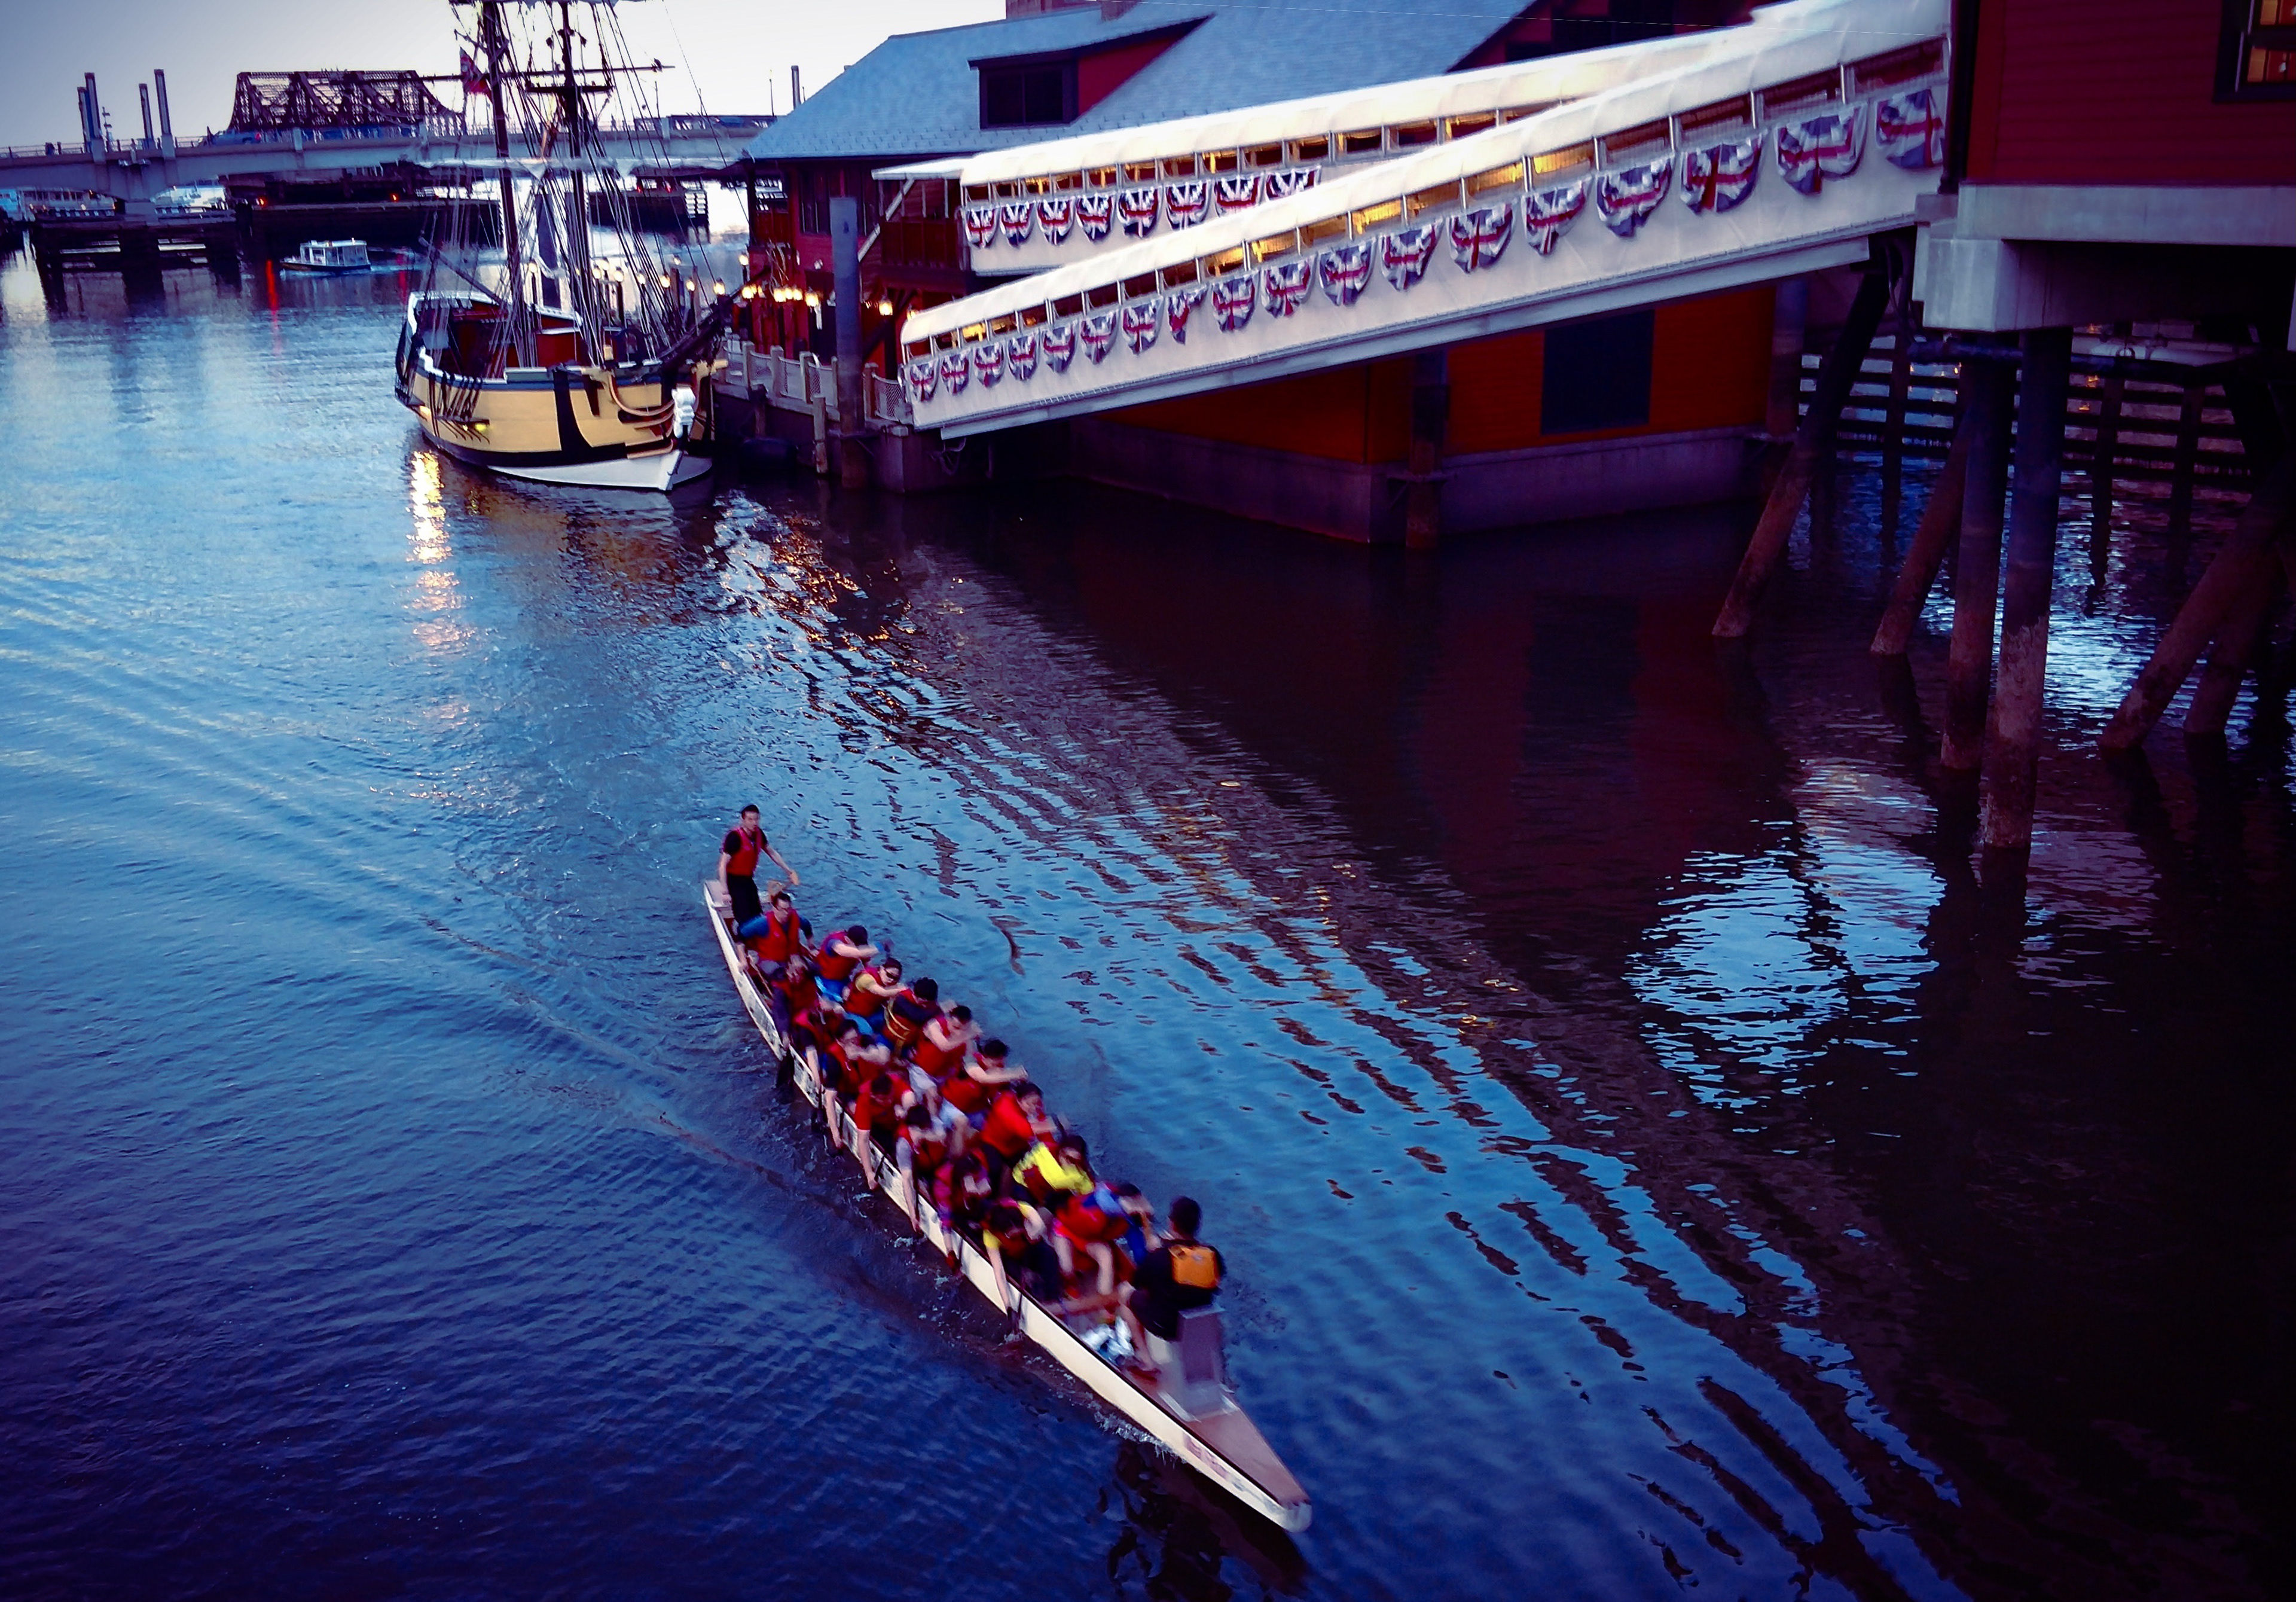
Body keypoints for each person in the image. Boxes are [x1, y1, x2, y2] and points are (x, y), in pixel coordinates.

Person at [1120, 1197, 1224, 1353]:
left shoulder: (1161, 1256)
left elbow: (1136, 1282)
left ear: (1172, 1224)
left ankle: (1146, 1359)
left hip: (1167, 1327)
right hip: (1198, 1326)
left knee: (1125, 1292)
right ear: (1197, 1225)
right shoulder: (1213, 1255)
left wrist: (1156, 1251)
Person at [718, 805, 796, 926]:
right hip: (734, 880)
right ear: (743, 820)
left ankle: (758, 931)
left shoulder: (759, 834)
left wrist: (788, 870)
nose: (754, 823)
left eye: (756, 819)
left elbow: (772, 853)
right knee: (743, 914)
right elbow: (723, 865)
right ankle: (741, 932)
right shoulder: (734, 838)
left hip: (748, 879)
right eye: (750, 819)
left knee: (756, 911)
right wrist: (725, 891)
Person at [941, 1037, 1025, 1119]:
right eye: (994, 1060)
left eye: (1000, 1059)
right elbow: (983, 1078)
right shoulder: (971, 1060)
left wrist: (1021, 1081)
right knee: (962, 1122)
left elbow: (1006, 1087)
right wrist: (1015, 1075)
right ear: (985, 1056)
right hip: (951, 1104)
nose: (998, 1063)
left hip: (974, 1111)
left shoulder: (1000, 1070)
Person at [911, 1003, 977, 1078]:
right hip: (921, 1071)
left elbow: (970, 1059)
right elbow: (944, 1047)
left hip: (944, 1076)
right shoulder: (934, 1025)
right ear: (949, 1019)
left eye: (963, 1029)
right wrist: (966, 1037)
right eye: (956, 1027)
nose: (959, 1032)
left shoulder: (967, 1036)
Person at [881, 975, 941, 1053]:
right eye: (918, 997)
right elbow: (916, 1016)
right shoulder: (902, 997)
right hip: (888, 1037)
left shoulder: (933, 1008)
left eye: (925, 1001)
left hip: (908, 1044)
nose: (919, 1001)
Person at [844, 956, 903, 1030]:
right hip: (853, 1012)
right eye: (889, 975)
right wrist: (902, 990)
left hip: (872, 1012)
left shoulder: (892, 984)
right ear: (881, 969)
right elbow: (882, 992)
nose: (891, 980)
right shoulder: (866, 978)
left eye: (895, 978)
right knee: (867, 1032)